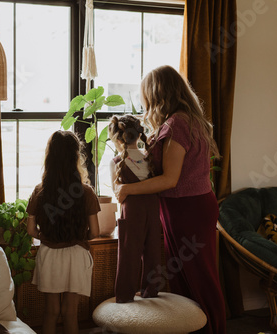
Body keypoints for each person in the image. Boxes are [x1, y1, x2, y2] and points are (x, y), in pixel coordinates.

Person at [114, 65, 226, 334]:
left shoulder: (178, 124)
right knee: (188, 276)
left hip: (187, 208)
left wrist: (126, 190)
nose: (145, 103)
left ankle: (211, 329)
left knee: (198, 277)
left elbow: (169, 180)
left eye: (146, 97)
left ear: (157, 95)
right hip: (188, 206)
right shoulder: (186, 120)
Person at [26, 130, 100, 334]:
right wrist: (76, 237)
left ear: (50, 157)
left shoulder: (39, 190)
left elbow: (31, 229)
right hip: (76, 255)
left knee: (51, 311)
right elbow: (94, 231)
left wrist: (47, 237)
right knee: (70, 312)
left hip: (49, 255)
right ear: (76, 157)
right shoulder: (86, 192)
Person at [108, 114, 161, 303]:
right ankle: (151, 291)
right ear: (139, 135)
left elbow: (118, 193)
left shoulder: (116, 162)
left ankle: (124, 295)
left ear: (117, 138)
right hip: (154, 209)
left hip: (131, 211)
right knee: (153, 250)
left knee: (129, 252)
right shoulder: (150, 158)